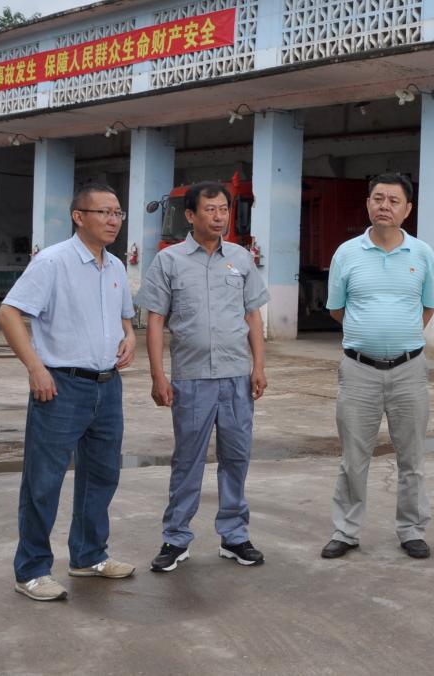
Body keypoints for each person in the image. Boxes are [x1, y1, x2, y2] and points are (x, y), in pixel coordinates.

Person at [0, 183, 137, 601]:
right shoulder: (53, 262)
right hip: (61, 387)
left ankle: (89, 556)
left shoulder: (115, 266)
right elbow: (9, 313)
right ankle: (31, 570)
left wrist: (129, 336)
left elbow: (125, 318)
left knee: (102, 476)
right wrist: (36, 367)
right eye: (104, 212)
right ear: (79, 216)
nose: (113, 220)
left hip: (107, 387)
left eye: (118, 213)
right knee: (43, 481)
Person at [135, 181, 270, 572]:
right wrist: (158, 376)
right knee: (188, 461)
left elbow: (253, 315)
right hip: (191, 379)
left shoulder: (241, 259)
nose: (219, 216)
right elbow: (155, 320)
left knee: (236, 458)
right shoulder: (169, 261)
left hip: (236, 377)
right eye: (210, 209)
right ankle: (176, 539)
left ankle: (235, 536)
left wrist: (258, 366)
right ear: (191, 215)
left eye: (224, 209)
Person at [321, 173, 434, 561]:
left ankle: (412, 530)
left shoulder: (422, 254)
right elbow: (337, 309)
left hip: (409, 370)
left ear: (408, 209)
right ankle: (346, 531)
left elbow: (428, 307)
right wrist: (369, 334)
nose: (384, 206)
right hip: (359, 371)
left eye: (393, 200)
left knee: (412, 458)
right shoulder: (346, 254)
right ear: (368, 203)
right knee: (353, 459)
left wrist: (399, 337)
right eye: (378, 198)